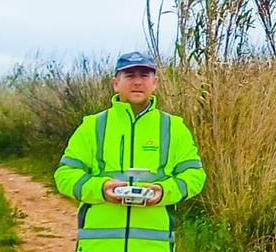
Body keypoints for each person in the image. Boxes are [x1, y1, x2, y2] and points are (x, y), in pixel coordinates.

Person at [54, 51, 206, 251]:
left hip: (153, 246)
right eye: (130, 75)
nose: (137, 82)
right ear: (116, 83)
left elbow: (195, 176)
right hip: (98, 246)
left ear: (155, 83)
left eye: (144, 75)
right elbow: (65, 176)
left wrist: (163, 192)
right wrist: (102, 189)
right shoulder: (92, 126)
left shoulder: (174, 127)